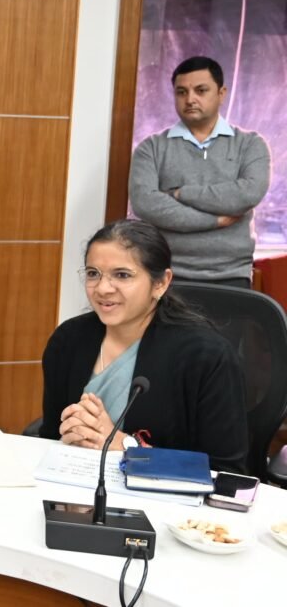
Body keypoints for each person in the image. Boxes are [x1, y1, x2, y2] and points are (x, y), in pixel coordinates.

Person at [40, 219, 248, 473]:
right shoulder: (68, 340)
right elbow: (49, 438)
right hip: (75, 484)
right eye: (93, 273)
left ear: (161, 283)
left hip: (166, 494)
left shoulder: (206, 356)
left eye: (122, 275)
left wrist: (125, 446)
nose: (103, 288)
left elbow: (226, 471)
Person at [129, 55, 270, 288]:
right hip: (165, 274)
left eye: (201, 90)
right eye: (181, 92)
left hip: (232, 274)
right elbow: (145, 204)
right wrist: (215, 221)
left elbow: (247, 194)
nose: (190, 99)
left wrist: (180, 193)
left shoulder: (250, 144)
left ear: (221, 93)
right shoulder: (151, 147)